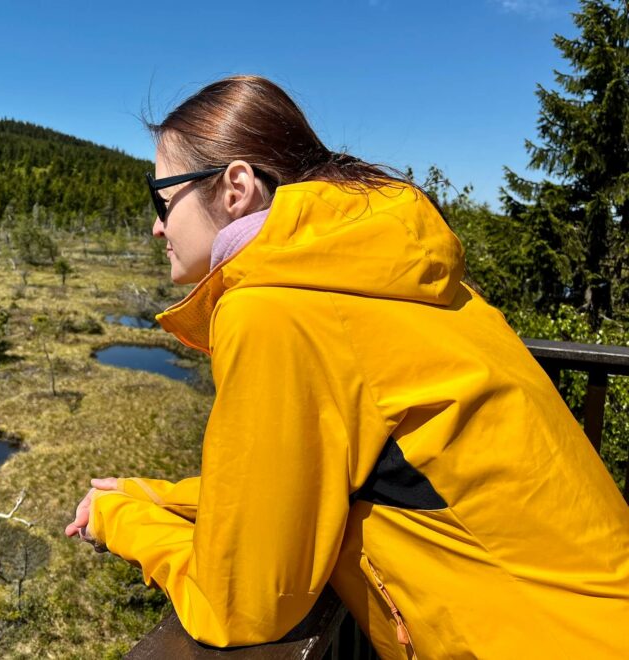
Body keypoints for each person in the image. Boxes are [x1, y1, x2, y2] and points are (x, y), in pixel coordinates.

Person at [65, 75, 629, 658]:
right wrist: (152, 494)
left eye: (161, 199)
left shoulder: (272, 308)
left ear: (235, 188)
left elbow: (236, 606)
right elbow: (292, 489)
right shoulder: (377, 274)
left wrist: (119, 521)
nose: (157, 224)